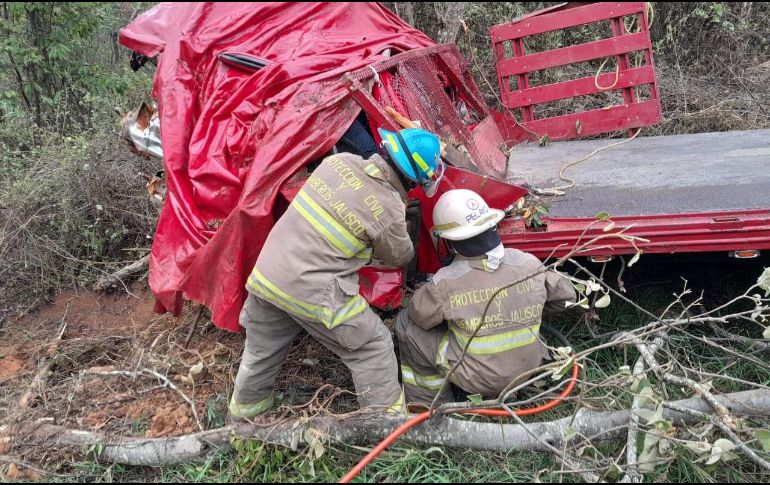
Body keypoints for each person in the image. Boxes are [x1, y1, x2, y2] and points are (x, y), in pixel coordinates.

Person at [229, 123, 445, 421]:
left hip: (268, 276)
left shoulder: (338, 163)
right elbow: (400, 255)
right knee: (373, 347)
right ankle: (386, 430)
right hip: (313, 290)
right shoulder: (388, 207)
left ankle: (243, 422)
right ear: (416, 177)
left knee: (260, 353)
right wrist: (401, 224)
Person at [395, 189, 576, 407]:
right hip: (530, 369)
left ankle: (427, 405)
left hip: (479, 381)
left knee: (405, 324)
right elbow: (567, 296)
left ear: (449, 241)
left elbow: (419, 315)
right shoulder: (529, 263)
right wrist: (524, 307)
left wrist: (429, 288)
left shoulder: (445, 283)